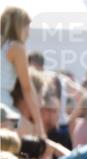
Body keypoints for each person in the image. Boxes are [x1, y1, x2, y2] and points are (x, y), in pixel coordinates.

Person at [0, 8, 44, 137]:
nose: (28, 33)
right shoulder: (16, 47)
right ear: (19, 25)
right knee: (31, 135)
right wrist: (39, 125)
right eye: (27, 27)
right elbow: (27, 88)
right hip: (3, 107)